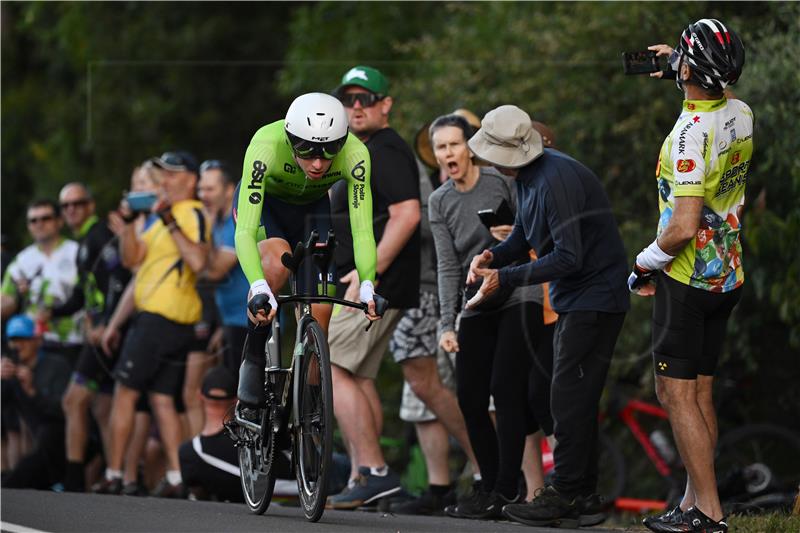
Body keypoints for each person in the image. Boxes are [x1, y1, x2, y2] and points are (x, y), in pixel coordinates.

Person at [465, 105, 629, 528]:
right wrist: (492, 256)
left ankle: (566, 493)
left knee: (566, 396)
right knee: (568, 394)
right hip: (578, 298)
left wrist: (506, 278)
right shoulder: (528, 177)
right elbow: (524, 234)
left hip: (594, 298)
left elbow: (569, 257)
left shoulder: (556, 178)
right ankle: (584, 495)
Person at [628, 19, 749, 533]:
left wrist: (642, 263)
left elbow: (680, 227)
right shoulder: (740, 111)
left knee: (675, 396)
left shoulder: (688, 136)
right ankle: (692, 499)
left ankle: (708, 513)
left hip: (686, 276)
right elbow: (718, 87)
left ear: (691, 71)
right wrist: (683, 64)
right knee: (699, 393)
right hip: (728, 273)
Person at [427, 113, 546, 519]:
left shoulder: (501, 182)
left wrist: (513, 235)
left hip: (517, 290)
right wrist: (447, 322)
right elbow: (447, 266)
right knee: (470, 397)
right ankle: (491, 485)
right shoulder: (439, 201)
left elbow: (537, 232)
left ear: (471, 147)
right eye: (441, 147)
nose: (448, 153)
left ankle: (506, 490)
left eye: (454, 144)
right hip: (475, 299)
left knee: (506, 388)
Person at [233, 92, 381, 418]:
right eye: (306, 150)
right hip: (266, 211)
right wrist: (258, 286)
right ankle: (253, 358)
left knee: (321, 313)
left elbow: (362, 230)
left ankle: (307, 410)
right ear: (289, 139)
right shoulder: (265, 146)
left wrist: (369, 283)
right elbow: (243, 232)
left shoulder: (356, 154)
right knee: (275, 265)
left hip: (313, 211)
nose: (318, 163)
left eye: (330, 151)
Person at [325, 65, 421, 509]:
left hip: (375, 285)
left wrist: (369, 275)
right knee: (357, 376)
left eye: (366, 99)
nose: (356, 107)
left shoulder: (385, 150)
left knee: (334, 368)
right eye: (349, 100)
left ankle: (375, 471)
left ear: (386, 105)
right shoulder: (361, 149)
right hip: (373, 282)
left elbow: (407, 214)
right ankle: (367, 476)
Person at [95, 151, 210, 497]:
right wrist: (131, 223)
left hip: (162, 319)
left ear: (191, 179)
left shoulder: (190, 212)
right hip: (157, 318)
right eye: (163, 175)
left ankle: (114, 474)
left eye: (172, 175)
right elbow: (135, 265)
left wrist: (168, 220)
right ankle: (177, 479)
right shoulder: (160, 217)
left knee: (125, 393)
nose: (166, 181)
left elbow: (198, 261)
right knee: (161, 399)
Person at [45, 182, 131, 492]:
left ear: (90, 205)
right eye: (65, 206)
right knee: (102, 407)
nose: (71, 210)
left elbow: (120, 277)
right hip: (104, 334)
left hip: (105, 336)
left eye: (77, 203)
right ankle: (115, 475)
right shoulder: (83, 243)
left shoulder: (99, 236)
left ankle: (73, 480)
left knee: (72, 401)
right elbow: (83, 295)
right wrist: (52, 311)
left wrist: (107, 325)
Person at [1, 200, 83, 364]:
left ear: (59, 221)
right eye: (33, 220)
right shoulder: (21, 261)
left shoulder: (77, 252)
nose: (39, 224)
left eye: (46, 218)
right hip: (34, 346)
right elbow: (6, 300)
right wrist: (16, 295)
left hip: (75, 341)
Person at [1, 315, 71, 489]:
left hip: (64, 443)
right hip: (39, 449)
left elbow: (64, 412)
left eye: (23, 339)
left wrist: (33, 392)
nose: (17, 345)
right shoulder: (11, 373)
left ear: (37, 341)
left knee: (49, 433)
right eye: (13, 340)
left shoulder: (56, 365)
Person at [197, 160, 250, 378]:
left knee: (241, 392)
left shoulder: (236, 222)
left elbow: (216, 271)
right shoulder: (218, 221)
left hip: (248, 322)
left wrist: (197, 269)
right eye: (200, 189)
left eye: (210, 189)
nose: (203, 195)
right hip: (229, 321)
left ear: (229, 190)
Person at [178, 366, 245, 502]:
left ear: (200, 396)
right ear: (236, 400)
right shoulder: (253, 439)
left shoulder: (190, 453)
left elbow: (199, 497)